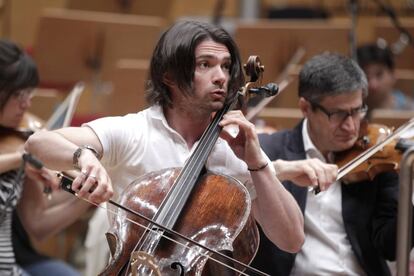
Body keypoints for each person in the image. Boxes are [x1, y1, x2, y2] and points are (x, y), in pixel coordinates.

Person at [25, 20, 306, 274]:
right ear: (169, 76)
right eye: (205, 65)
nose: (221, 76)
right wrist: (84, 157)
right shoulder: (134, 132)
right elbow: (39, 142)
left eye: (225, 66)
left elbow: (291, 239)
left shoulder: (234, 151)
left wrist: (257, 163)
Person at [252, 52, 407, 276]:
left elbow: (390, 248)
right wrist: (277, 170)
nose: (351, 127)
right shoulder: (269, 152)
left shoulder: (377, 157)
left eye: (357, 111)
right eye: (338, 114)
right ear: (306, 108)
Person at [0, 39, 88, 275]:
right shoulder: (19, 154)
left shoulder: (18, 139)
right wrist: (21, 158)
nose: (27, 104)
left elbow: (37, 221)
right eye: (18, 94)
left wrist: (86, 194)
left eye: (29, 94)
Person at [357, 43, 414, 113]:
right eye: (365, 77)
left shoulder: (411, 110)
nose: (373, 85)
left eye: (379, 75)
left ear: (393, 75)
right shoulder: (352, 112)